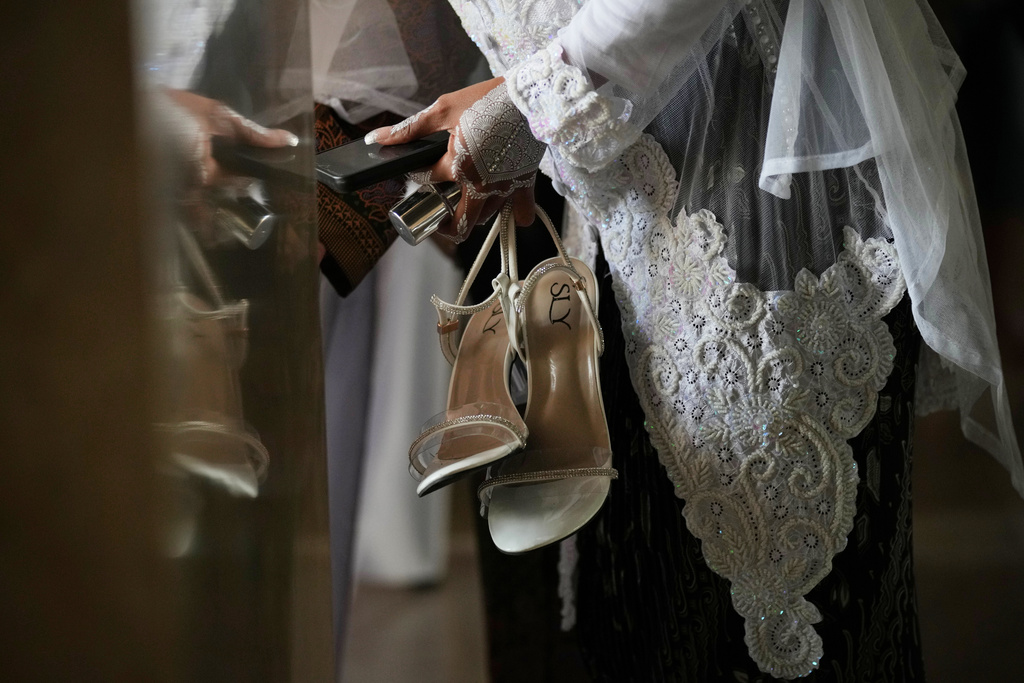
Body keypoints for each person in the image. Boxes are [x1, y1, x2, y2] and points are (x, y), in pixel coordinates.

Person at [366, 0, 1024, 680]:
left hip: (760, 207)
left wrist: (522, 110)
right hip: (615, 214)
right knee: (643, 609)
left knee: (779, 624)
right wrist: (516, 119)